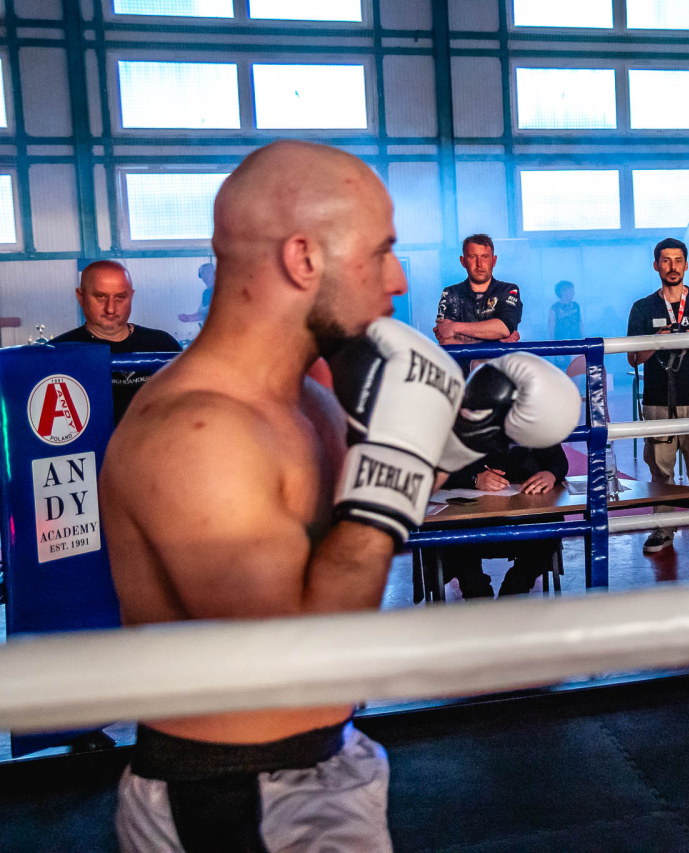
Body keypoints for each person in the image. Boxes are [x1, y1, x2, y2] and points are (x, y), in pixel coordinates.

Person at [102, 140, 577, 852]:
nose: (395, 277)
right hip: (232, 795)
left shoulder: (311, 397)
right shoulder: (200, 434)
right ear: (303, 258)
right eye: (381, 251)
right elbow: (298, 658)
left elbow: (333, 544)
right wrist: (393, 469)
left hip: (321, 751)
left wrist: (459, 444)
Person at [626, 237, 689, 557]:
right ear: (656, 265)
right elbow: (632, 358)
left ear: (686, 264)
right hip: (657, 399)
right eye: (666, 260)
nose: (672, 266)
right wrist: (657, 341)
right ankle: (662, 529)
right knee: (660, 471)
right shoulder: (642, 308)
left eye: (678, 260)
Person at [51, 261, 182, 423]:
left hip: (153, 446)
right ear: (81, 297)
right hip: (91, 448)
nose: (111, 309)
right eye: (101, 296)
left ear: (131, 297)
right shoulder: (56, 353)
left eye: (120, 297)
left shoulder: (163, 345)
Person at [433, 442, 570, 598]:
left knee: (550, 524)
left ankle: (515, 588)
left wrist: (550, 474)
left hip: (525, 510)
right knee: (449, 532)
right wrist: (474, 479)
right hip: (468, 513)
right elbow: (435, 470)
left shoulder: (531, 421)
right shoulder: (459, 422)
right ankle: (476, 593)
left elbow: (559, 461)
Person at [435, 234, 522, 346]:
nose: (479, 264)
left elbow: (504, 328)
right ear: (463, 261)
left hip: (498, 363)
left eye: (484, 257)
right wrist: (495, 340)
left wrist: (455, 327)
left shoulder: (509, 290)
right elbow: (445, 338)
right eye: (472, 257)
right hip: (460, 364)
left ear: (494, 260)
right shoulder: (451, 293)